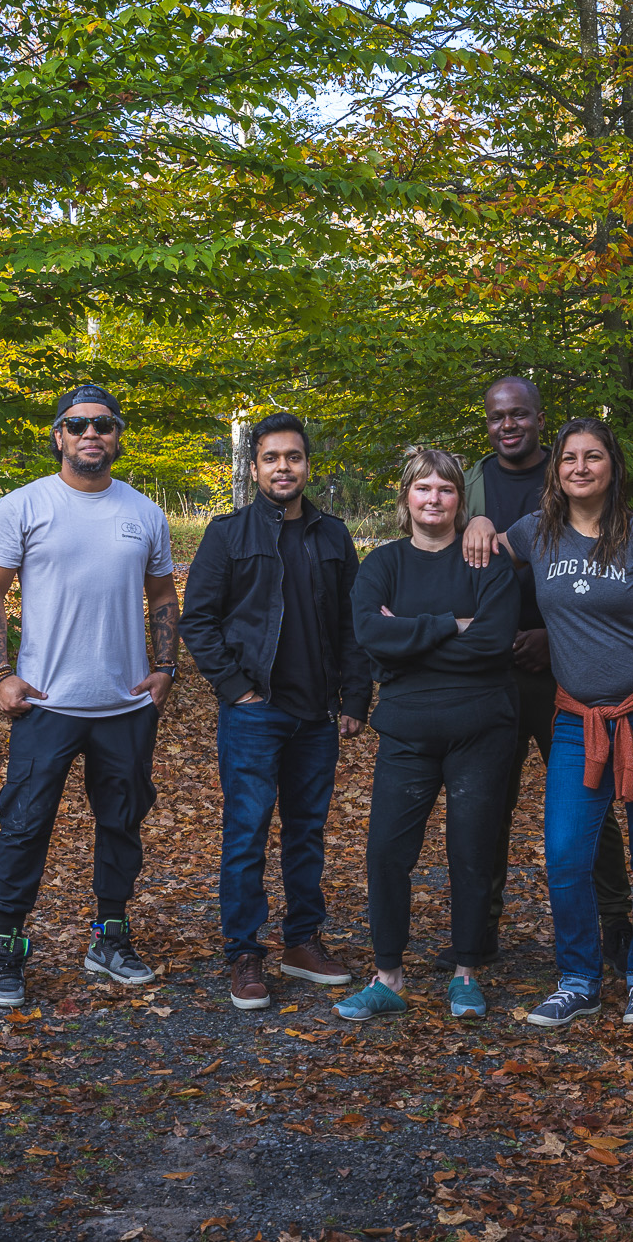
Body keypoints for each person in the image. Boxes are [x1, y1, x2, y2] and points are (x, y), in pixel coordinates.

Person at [0, 385, 180, 1008]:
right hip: (45, 705)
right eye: (77, 424)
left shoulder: (144, 513)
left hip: (124, 706)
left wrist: (166, 666)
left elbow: (164, 597)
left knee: (121, 824)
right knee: (25, 824)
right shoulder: (23, 506)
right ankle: (7, 948)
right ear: (58, 435)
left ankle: (110, 938)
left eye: (103, 424)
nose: (91, 433)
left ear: (117, 435)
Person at [495, 418, 633, 1029]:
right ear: (555, 471)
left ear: (612, 466)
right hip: (576, 720)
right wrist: (480, 523)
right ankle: (579, 978)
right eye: (568, 459)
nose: (580, 468)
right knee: (564, 855)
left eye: (592, 457)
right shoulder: (536, 533)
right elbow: (475, 555)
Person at [180, 411, 372, 1010]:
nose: (283, 467)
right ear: (255, 466)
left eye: (293, 457)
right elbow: (198, 620)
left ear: (307, 464)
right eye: (271, 458)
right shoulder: (227, 534)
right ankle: (244, 953)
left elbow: (352, 624)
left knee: (307, 833)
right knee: (246, 833)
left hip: (316, 715)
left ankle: (301, 941)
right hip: (255, 713)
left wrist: (355, 698)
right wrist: (237, 688)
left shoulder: (333, 535)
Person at [336, 449, 520, 1020]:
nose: (433, 498)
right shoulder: (383, 564)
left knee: (472, 851)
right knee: (387, 853)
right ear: (405, 499)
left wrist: (410, 639)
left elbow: (493, 643)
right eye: (422, 489)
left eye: (445, 488)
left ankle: (466, 972)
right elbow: (369, 634)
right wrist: (450, 626)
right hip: (407, 733)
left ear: (460, 500)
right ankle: (388, 975)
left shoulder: (487, 562)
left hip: (481, 728)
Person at [459, 377, 633, 971]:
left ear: (539, 419)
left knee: (590, 797)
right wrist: (474, 525)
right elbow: (449, 551)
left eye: (520, 416)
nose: (508, 426)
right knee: (487, 802)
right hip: (490, 667)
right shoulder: (473, 481)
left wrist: (551, 641)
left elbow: (611, 568)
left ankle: (616, 921)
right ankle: (480, 929)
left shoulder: (570, 470)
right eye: (496, 417)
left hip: (563, 670)